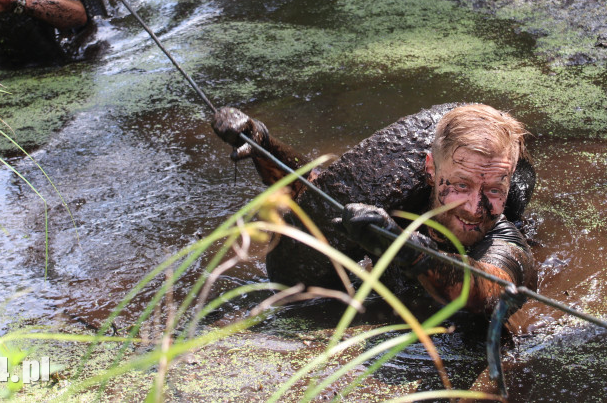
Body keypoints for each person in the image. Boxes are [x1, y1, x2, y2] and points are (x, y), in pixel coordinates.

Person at [212, 102, 537, 313]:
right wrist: (261, 144)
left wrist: (412, 250)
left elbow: (492, 288)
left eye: (494, 189)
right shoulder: (399, 203)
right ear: (430, 171)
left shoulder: (503, 239)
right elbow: (317, 194)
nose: (475, 208)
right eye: (462, 185)